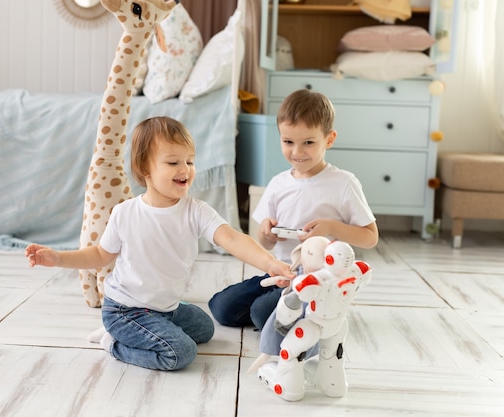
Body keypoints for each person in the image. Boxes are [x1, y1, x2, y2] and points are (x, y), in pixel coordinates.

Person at [25, 116, 294, 371]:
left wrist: (270, 263)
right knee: (180, 353)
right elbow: (99, 255)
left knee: (205, 329)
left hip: (165, 309)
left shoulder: (196, 210)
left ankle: (156, 321)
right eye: (173, 162)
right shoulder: (126, 212)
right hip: (124, 309)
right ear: (145, 170)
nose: (185, 169)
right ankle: (113, 342)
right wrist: (58, 258)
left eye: (190, 161)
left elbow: (233, 238)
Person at [209, 88, 379, 339]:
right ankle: (291, 311)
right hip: (280, 272)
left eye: (308, 143)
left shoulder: (343, 183)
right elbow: (264, 241)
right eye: (288, 142)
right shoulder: (279, 183)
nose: (297, 152)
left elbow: (370, 237)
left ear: (329, 139)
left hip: (318, 280)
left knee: (259, 313)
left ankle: (312, 308)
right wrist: (267, 233)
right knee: (220, 307)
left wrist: (331, 227)